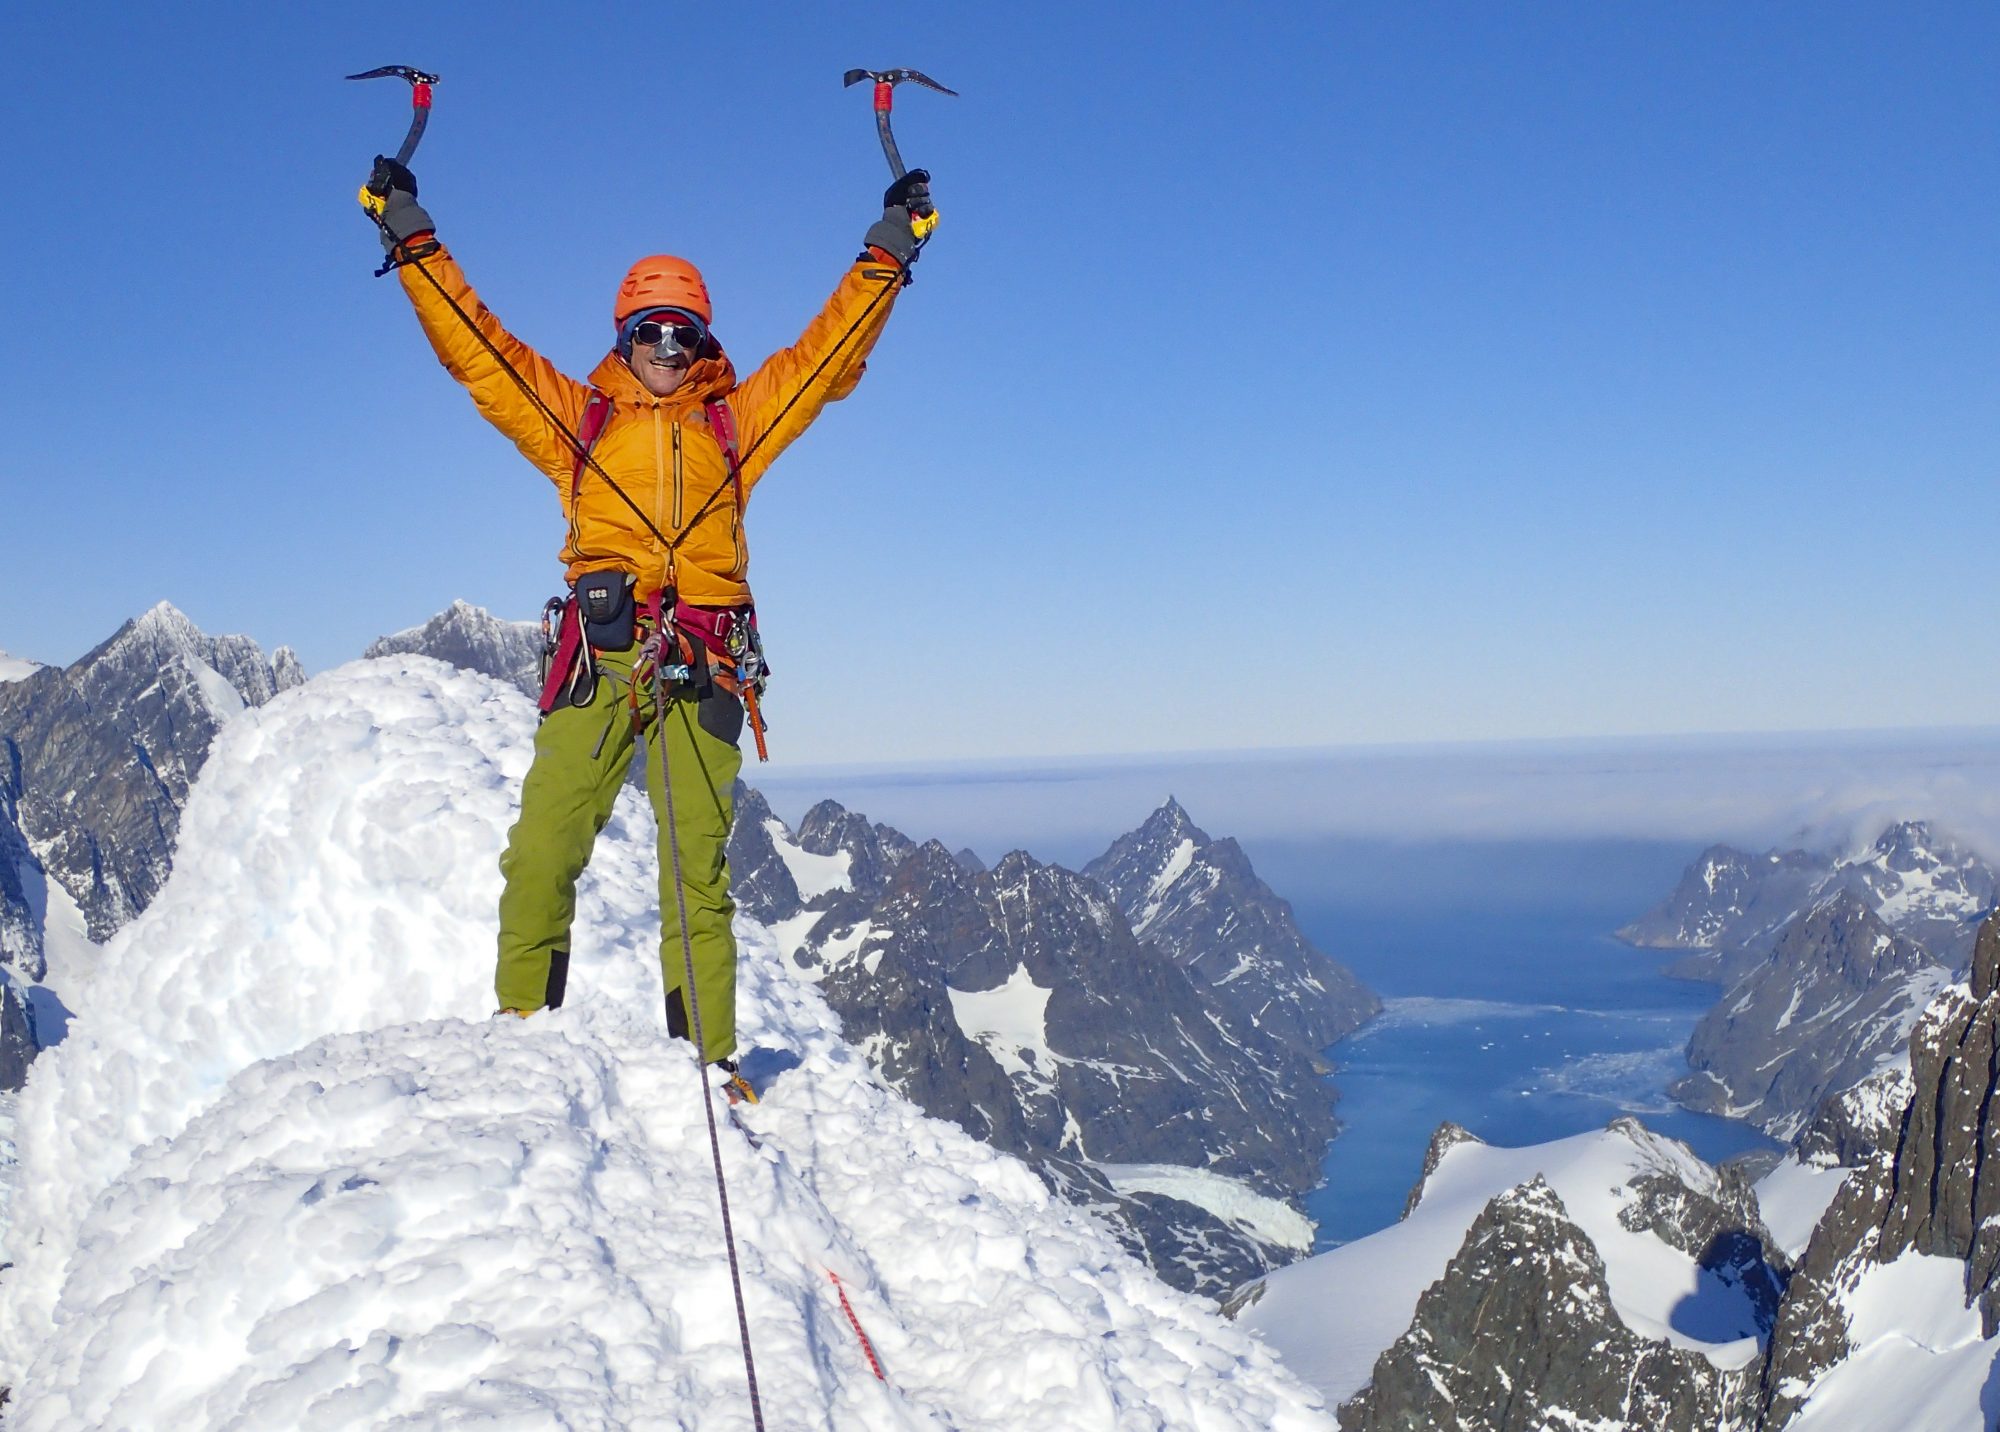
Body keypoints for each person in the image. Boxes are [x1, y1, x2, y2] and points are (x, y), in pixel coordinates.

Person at [364, 157, 933, 1091]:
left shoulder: (735, 424)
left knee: (694, 875)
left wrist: (886, 253)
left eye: (683, 330)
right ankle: (520, 1032)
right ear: (624, 335)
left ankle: (707, 1062)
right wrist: (415, 241)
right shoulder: (578, 421)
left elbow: (826, 359)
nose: (667, 345)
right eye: (649, 329)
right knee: (544, 846)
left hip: (704, 662)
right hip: (603, 650)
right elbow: (480, 350)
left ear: (702, 339)